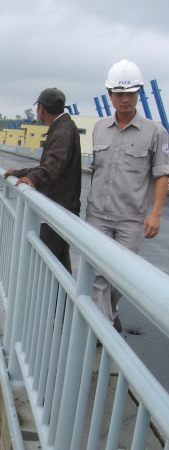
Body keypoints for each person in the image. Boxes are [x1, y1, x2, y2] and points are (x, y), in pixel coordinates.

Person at [87, 59, 169, 331]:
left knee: (121, 277)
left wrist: (155, 213)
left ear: (139, 94)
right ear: (110, 95)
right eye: (119, 94)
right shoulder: (99, 127)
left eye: (131, 94)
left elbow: (162, 174)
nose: (125, 99)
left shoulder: (156, 132)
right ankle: (103, 330)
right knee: (98, 274)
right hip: (97, 214)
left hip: (130, 219)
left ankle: (108, 316)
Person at [4, 88, 82, 272]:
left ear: (41, 109)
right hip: (63, 209)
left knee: (43, 269)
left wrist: (31, 177)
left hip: (58, 210)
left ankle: (43, 301)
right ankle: (62, 302)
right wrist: (20, 172)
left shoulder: (62, 131)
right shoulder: (64, 127)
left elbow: (54, 164)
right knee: (59, 271)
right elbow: (50, 164)